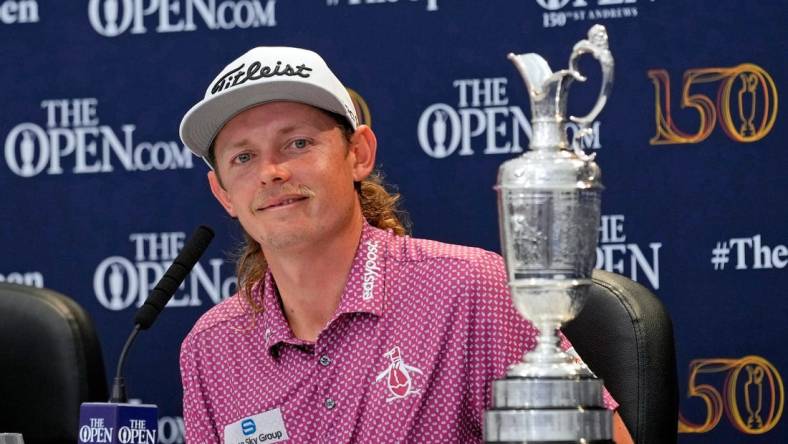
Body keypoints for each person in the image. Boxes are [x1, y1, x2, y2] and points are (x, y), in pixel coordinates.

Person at [178, 46, 634, 443]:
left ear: (358, 154)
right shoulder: (211, 347)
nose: (271, 172)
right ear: (223, 194)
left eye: (297, 143)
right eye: (243, 157)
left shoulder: (470, 289)